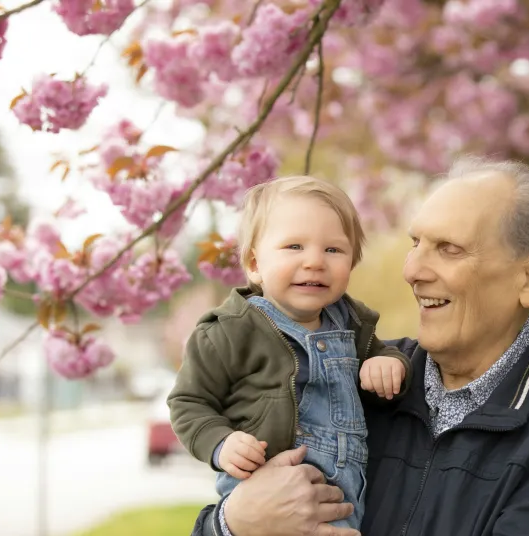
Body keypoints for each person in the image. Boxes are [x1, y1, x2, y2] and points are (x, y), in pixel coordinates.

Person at [191, 156, 529, 536]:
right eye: (416, 244)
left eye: (448, 248)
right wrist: (234, 523)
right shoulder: (353, 376)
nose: (412, 270)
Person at [169, 176, 412, 531]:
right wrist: (221, 442)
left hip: (344, 505)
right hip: (267, 499)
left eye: (333, 250)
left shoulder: (353, 325)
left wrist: (389, 364)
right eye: (294, 246)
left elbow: (385, 355)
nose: (314, 261)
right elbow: (188, 402)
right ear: (254, 264)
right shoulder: (230, 331)